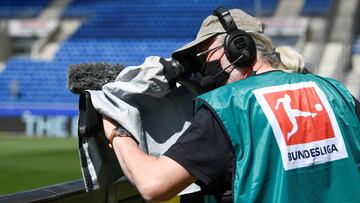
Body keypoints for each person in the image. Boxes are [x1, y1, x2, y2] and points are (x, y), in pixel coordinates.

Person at [101, 7, 360, 203]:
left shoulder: (228, 107)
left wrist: (117, 127)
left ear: (239, 47)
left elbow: (152, 185)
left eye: (205, 56)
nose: (202, 68)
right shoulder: (335, 91)